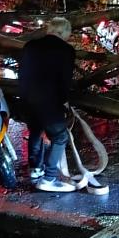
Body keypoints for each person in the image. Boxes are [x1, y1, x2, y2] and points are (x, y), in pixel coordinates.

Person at [18, 17, 77, 192]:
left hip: (27, 98)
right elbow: (64, 80)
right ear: (64, 32)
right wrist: (64, 101)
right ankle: (49, 178)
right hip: (49, 101)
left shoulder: (30, 46)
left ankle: (36, 169)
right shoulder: (66, 50)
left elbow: (22, 73)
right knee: (60, 137)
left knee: (35, 131)